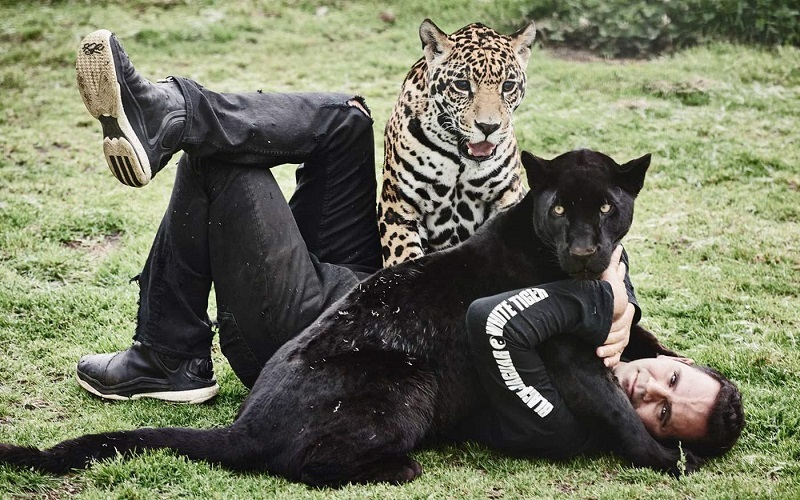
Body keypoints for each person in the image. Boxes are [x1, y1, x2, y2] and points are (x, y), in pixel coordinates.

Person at [73, 29, 743, 457]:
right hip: (374, 281)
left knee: (221, 161)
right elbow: (554, 223)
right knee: (344, 119)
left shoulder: (576, 402)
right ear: (679, 359)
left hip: (326, 343)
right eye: (672, 379)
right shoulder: (618, 315)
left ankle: (167, 353)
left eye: (660, 417)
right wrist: (617, 276)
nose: (647, 391)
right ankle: (170, 111)